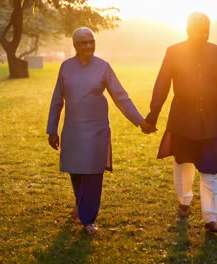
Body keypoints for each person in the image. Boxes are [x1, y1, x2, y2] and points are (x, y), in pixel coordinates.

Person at [46, 27, 155, 235]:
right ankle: (80, 205)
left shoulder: (103, 67)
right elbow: (56, 100)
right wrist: (52, 130)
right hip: (73, 130)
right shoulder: (66, 67)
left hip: (97, 131)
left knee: (93, 175)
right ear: (75, 46)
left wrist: (141, 121)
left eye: (92, 41)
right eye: (84, 43)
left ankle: (88, 219)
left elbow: (121, 97)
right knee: (76, 172)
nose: (89, 46)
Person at [144, 12, 217, 233]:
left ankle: (211, 219)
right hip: (182, 121)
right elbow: (162, 86)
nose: (203, 34)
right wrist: (152, 116)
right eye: (198, 30)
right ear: (187, 29)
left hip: (211, 122)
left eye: (206, 30)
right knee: (183, 163)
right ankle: (184, 201)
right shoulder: (174, 51)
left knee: (210, 170)